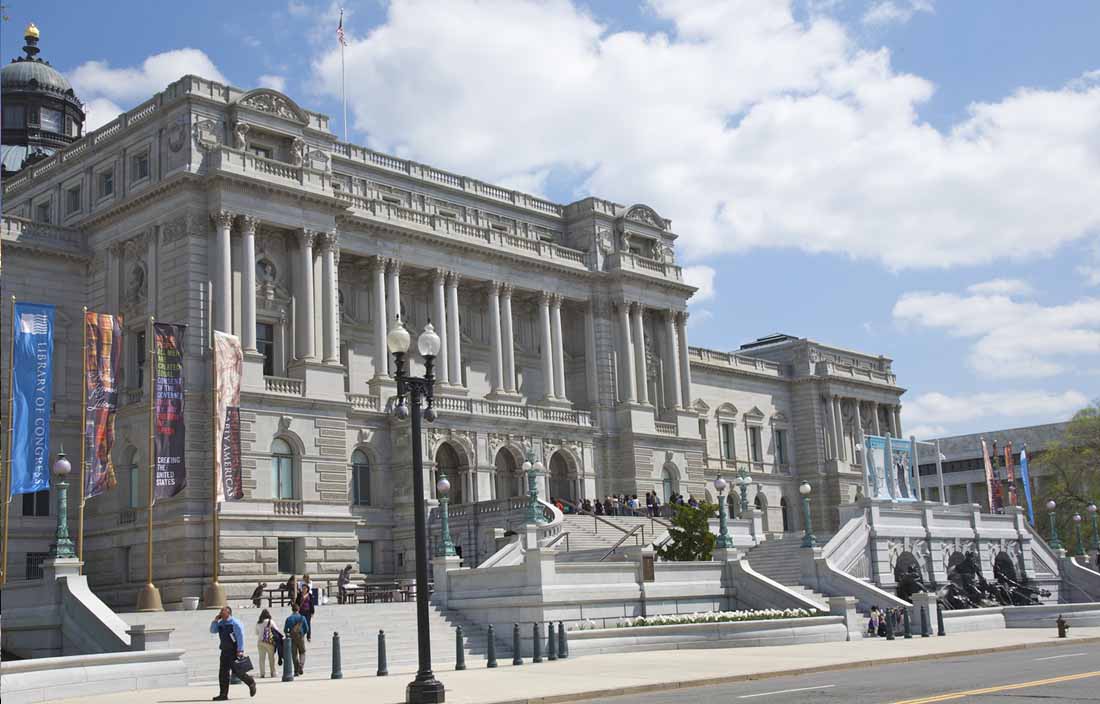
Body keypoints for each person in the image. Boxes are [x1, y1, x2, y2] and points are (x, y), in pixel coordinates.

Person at [209, 605, 256, 700]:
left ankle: (250, 682)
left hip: (233, 651)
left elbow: (240, 637)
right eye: (221, 611)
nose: (221, 613)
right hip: (224, 651)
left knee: (238, 672)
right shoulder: (221, 623)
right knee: (223, 673)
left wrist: (240, 650)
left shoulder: (235, 623)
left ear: (228, 613)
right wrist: (215, 621)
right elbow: (213, 630)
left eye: (223, 611)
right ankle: (223, 694)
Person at [284, 603, 311, 676]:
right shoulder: (302, 618)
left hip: (292, 638)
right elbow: (307, 628)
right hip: (301, 637)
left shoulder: (289, 619)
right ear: (298, 610)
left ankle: (296, 671)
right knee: (302, 652)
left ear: (292, 610)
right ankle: (301, 665)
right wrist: (303, 634)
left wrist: (289, 633)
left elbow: (285, 630)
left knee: (294, 654)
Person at [255, 609, 280, 678]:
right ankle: (273, 673)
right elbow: (277, 630)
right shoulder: (270, 621)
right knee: (271, 658)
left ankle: (262, 673)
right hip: (269, 642)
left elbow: (256, 633)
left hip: (260, 642)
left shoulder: (258, 622)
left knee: (261, 659)